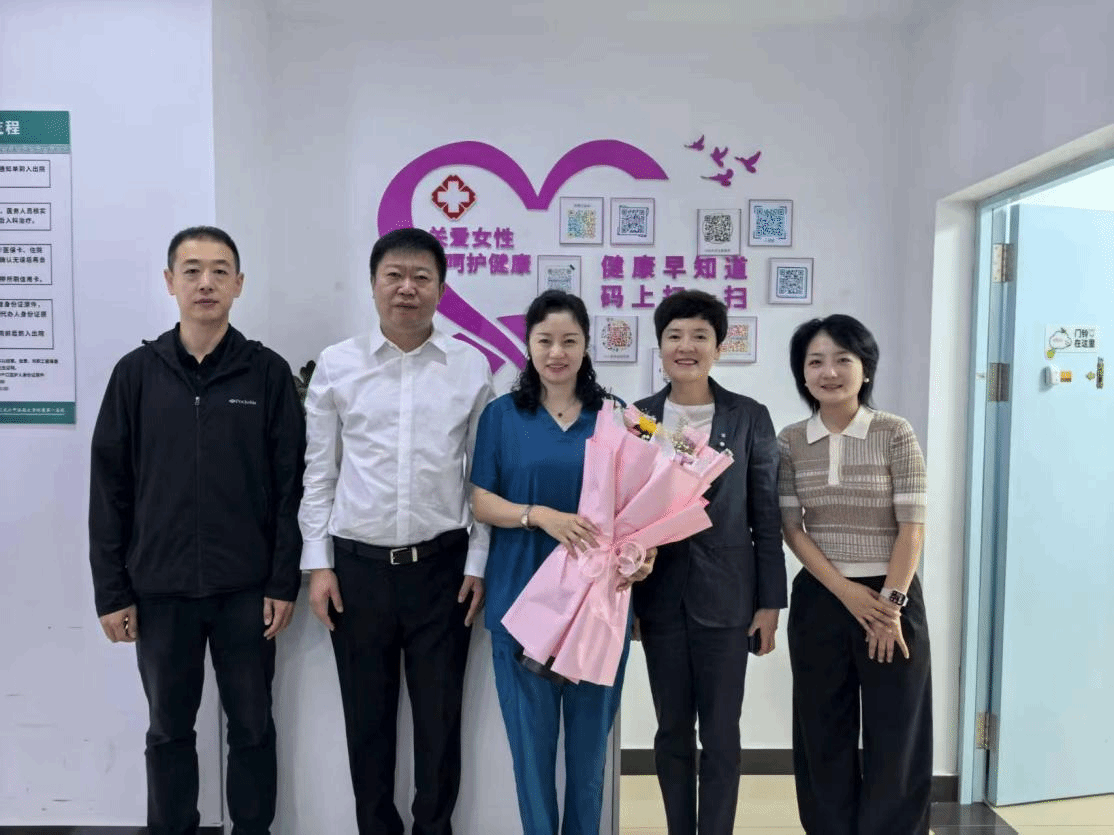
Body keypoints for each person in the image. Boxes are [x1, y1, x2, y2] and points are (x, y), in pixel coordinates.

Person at [89, 225, 306, 835]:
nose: (206, 283)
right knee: (168, 731)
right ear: (170, 282)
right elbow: (108, 489)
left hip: (247, 591)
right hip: (160, 590)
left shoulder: (266, 374)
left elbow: (291, 487)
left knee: (253, 728)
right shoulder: (136, 374)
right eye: (192, 270)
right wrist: (112, 591)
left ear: (239, 284)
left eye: (219, 271)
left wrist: (282, 581)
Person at [298, 227, 493, 835]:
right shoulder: (338, 365)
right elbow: (319, 473)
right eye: (395, 276)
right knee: (367, 724)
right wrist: (318, 564)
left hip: (443, 572)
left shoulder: (470, 367)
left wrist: (477, 563)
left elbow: (481, 478)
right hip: (356, 574)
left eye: (421, 277)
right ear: (374, 283)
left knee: (440, 724)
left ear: (441, 288)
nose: (407, 288)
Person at [470, 290, 653, 835]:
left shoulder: (619, 416)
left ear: (586, 345)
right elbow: (481, 502)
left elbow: (644, 506)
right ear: (527, 345)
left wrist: (643, 555)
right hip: (521, 600)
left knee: (589, 751)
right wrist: (538, 516)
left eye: (569, 340)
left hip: (598, 609)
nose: (557, 352)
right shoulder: (502, 415)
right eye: (545, 340)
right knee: (530, 751)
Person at [631, 289, 785, 835]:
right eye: (674, 335)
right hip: (659, 598)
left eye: (700, 336)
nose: (686, 346)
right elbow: (625, 513)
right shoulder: (639, 418)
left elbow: (766, 516)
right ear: (660, 347)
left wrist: (770, 603)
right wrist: (629, 600)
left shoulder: (749, 417)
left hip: (728, 598)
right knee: (671, 731)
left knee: (721, 734)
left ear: (719, 347)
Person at [777, 314, 931, 835]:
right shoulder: (790, 441)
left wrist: (889, 605)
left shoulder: (893, 432)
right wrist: (846, 592)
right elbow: (792, 528)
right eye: (815, 361)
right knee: (822, 731)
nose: (829, 372)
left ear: (865, 368)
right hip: (823, 598)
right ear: (802, 373)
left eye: (843, 359)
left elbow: (913, 526)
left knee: (897, 731)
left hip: (893, 598)